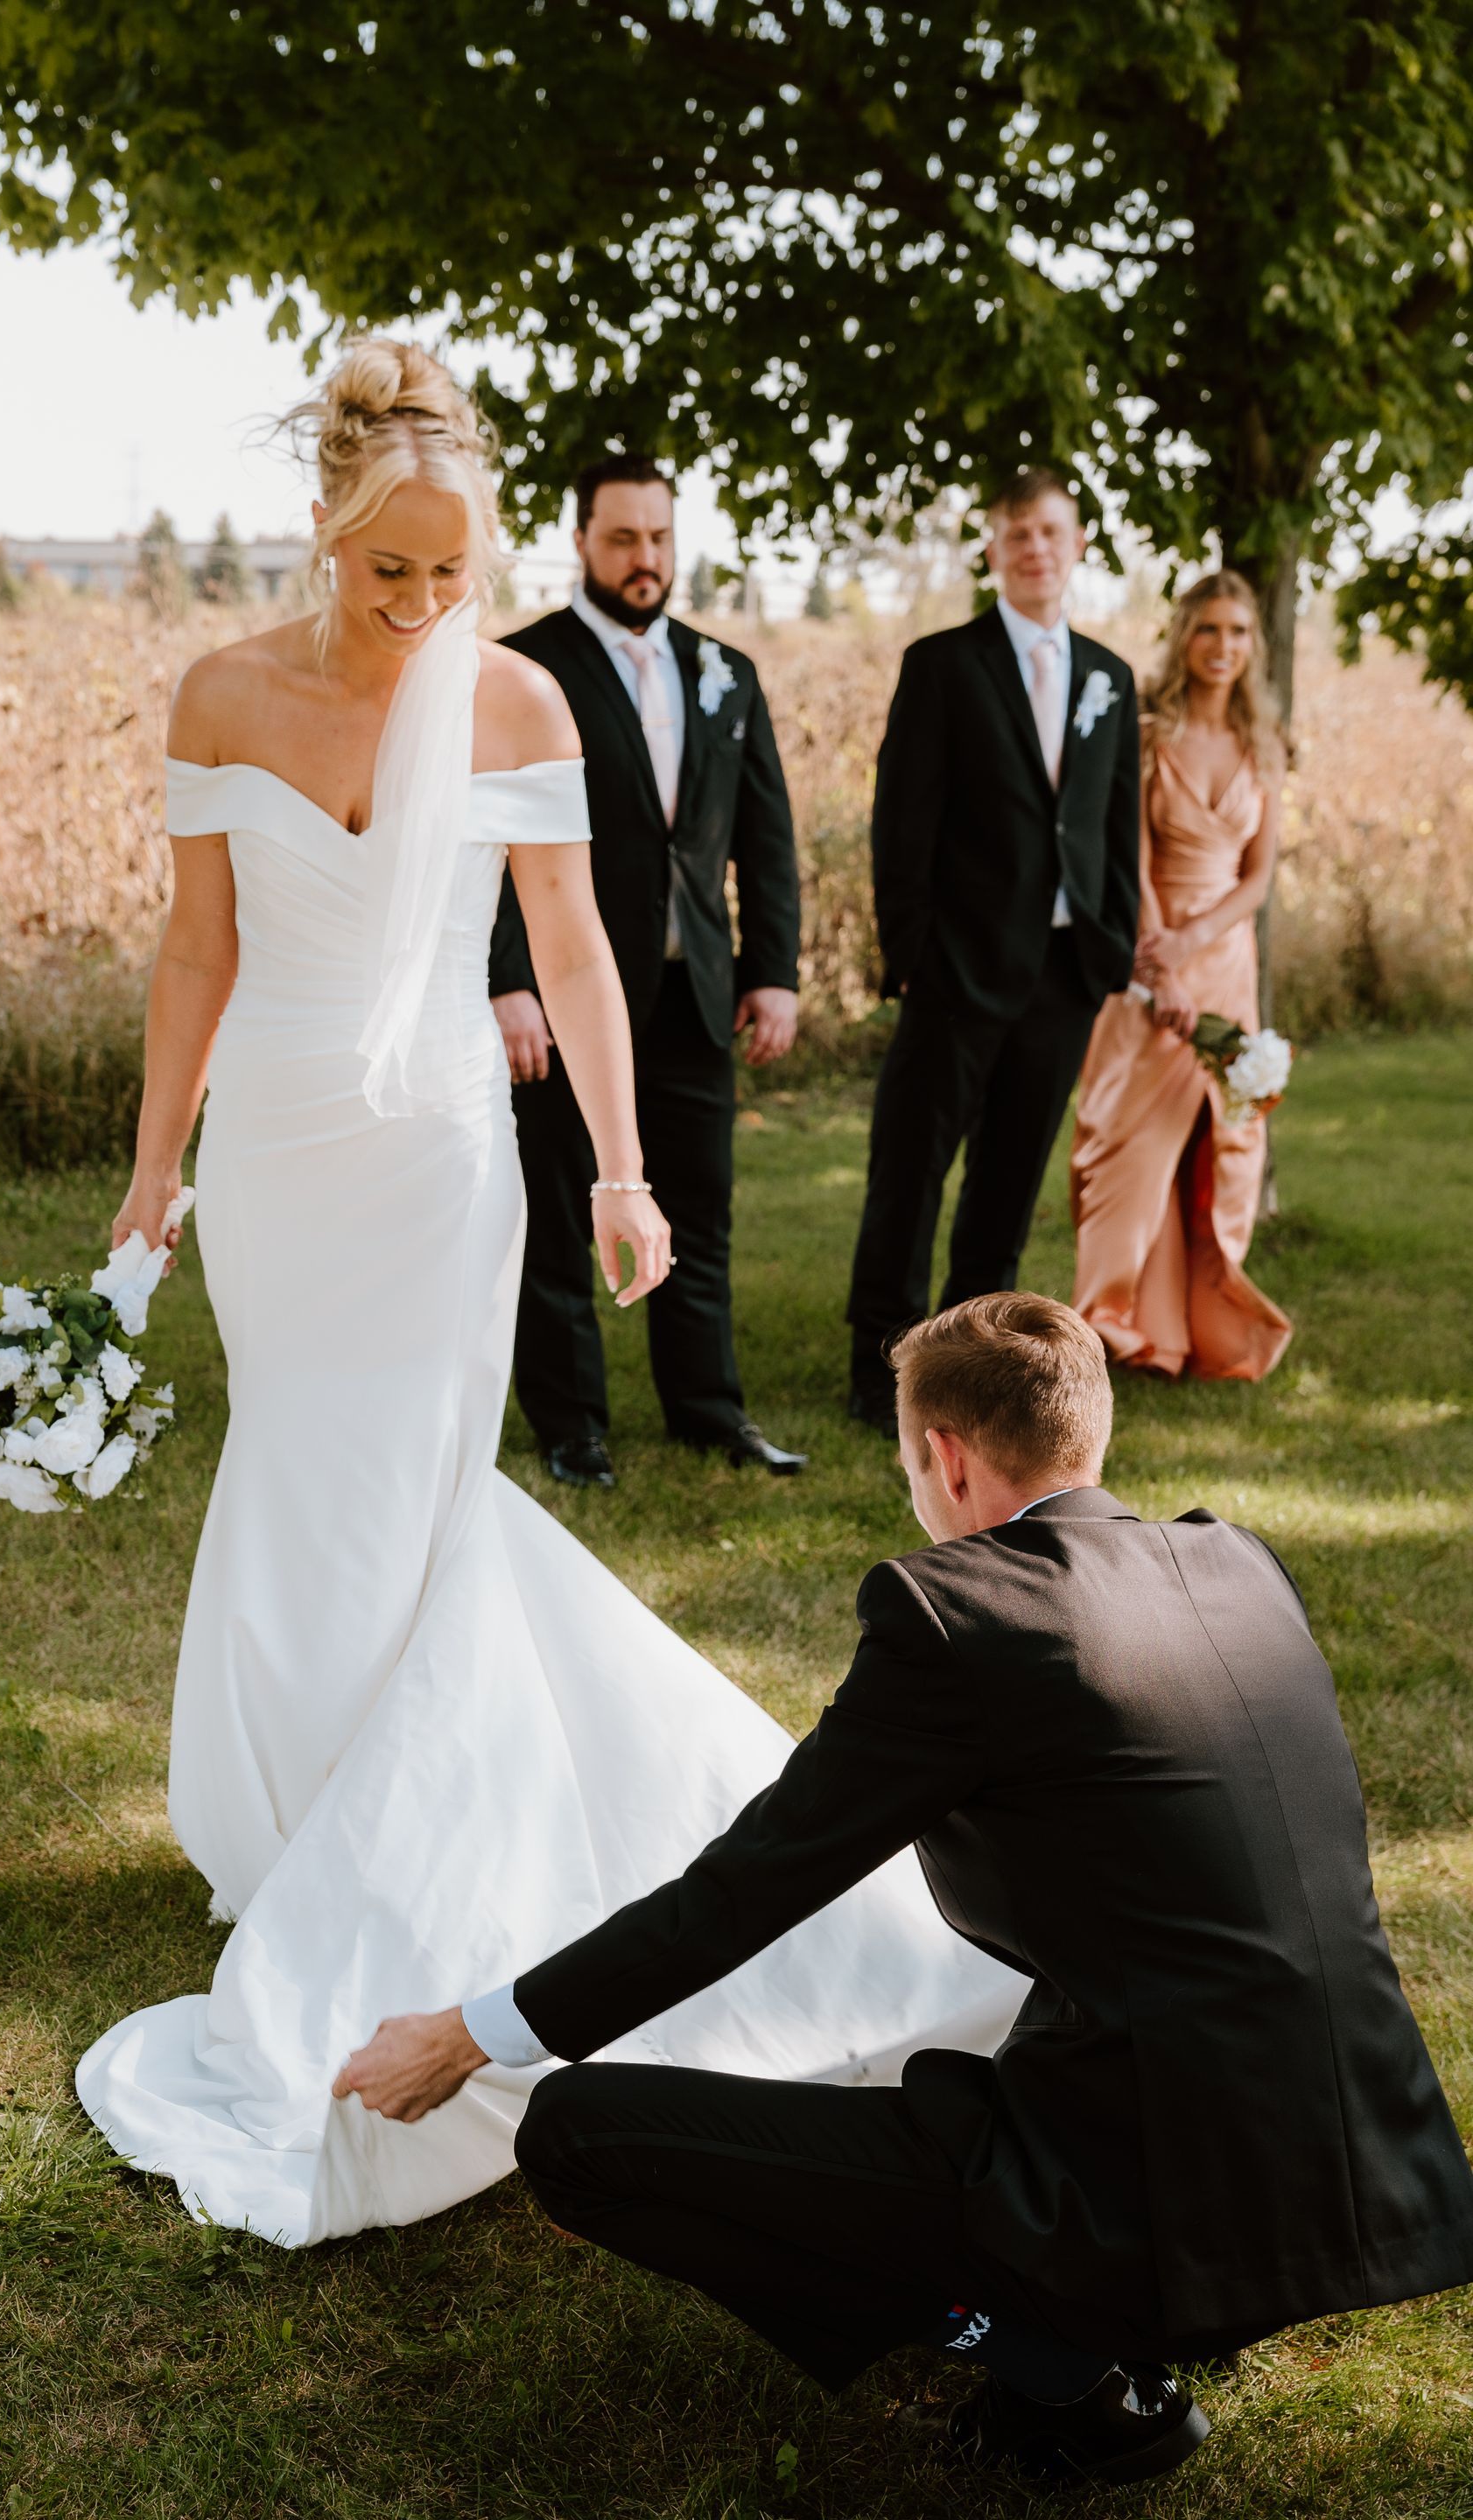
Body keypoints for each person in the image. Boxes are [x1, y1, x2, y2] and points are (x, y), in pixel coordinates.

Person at [74, 340, 1023, 2247]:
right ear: (323, 536)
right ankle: (299, 1825)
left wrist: (617, 1164)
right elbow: (198, 948)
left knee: (421, 1487)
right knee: (296, 1465)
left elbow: (583, 952)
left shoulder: (516, 700)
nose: (424, 607)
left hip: (440, 1156)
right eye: (388, 573)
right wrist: (157, 1159)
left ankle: (402, 1840)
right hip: (275, 1151)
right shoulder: (222, 695)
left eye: (450, 570)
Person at [334, 1291, 1473, 2490]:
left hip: (1154, 2214)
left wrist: (471, 2035)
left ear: (944, 1455)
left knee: (579, 2136)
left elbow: (743, 1892)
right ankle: (1125, 2309)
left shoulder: (957, 1614)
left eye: (905, 1459)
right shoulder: (1237, 1564)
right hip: (1363, 2180)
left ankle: (1066, 2369)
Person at [488, 455, 806, 1488]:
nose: (645, 558)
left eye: (661, 538)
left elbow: (764, 837)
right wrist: (507, 982)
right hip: (563, 997)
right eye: (623, 538)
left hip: (693, 996)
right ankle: (573, 1426)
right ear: (581, 540)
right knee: (554, 1214)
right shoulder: (521, 672)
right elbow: (483, 845)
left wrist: (773, 972)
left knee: (698, 1210)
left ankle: (709, 1411)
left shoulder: (725, 672)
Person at [846, 469, 1141, 1434]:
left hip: (1065, 974)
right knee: (911, 1171)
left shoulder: (1109, 675)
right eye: (1016, 533)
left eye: (1051, 531)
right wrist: (914, 955)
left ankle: (972, 1384)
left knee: (1008, 1183)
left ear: (1079, 542)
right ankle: (876, 1374)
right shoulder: (944, 663)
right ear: (992, 547)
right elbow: (903, 822)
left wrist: (1112, 946)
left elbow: (1114, 827)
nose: (1035, 548)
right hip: (957, 968)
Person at [1070, 570, 1293, 1379]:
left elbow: (1258, 878)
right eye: (1209, 630)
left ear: (1252, 646)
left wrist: (1196, 942)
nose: (1223, 648)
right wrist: (1160, 958)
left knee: (1223, 1148)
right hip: (1146, 956)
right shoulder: (1149, 733)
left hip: (1226, 960)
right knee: (1126, 1145)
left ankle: (1201, 1333)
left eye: (1238, 632)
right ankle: (1114, 1329)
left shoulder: (1265, 743)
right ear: (1184, 638)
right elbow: (1126, 858)